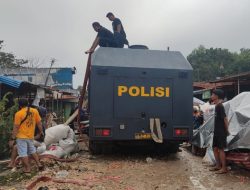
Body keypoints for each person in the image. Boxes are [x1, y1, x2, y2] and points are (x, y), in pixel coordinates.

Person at [9, 98, 44, 173]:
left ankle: (27, 169)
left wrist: (12, 138)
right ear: (28, 103)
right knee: (32, 150)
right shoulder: (35, 111)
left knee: (23, 153)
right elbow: (39, 123)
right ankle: (39, 164)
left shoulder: (18, 114)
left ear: (20, 105)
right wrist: (41, 131)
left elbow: (16, 127)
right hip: (30, 136)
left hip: (21, 137)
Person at [209, 89, 229, 174]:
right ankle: (218, 165)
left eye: (213, 94)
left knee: (221, 149)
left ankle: (224, 168)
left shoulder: (220, 106)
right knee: (214, 148)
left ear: (217, 96)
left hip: (221, 132)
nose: (211, 96)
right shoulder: (216, 106)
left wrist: (227, 130)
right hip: (216, 131)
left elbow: (225, 118)